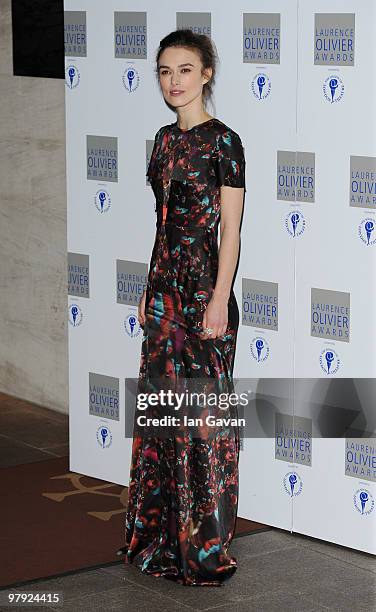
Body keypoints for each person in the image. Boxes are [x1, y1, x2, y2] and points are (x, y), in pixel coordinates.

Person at [117, 29, 246, 586]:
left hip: (203, 295)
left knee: (204, 428)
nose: (174, 81)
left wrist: (219, 299)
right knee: (165, 421)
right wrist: (149, 285)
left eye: (185, 70)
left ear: (206, 74)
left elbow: (233, 233)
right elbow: (163, 223)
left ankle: (204, 548)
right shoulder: (164, 142)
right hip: (165, 295)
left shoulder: (225, 143)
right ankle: (159, 541)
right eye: (165, 71)